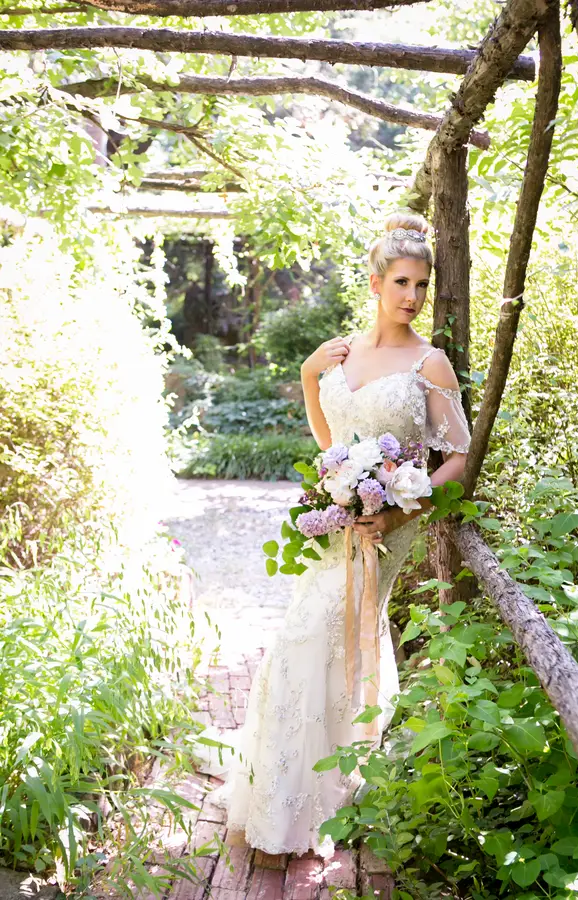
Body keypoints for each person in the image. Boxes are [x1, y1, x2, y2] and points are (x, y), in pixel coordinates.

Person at [205, 211, 471, 859]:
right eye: (402, 282)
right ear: (377, 282)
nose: (412, 297)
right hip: (338, 523)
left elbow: (459, 454)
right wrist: (306, 377)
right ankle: (292, 799)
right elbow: (331, 443)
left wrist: (402, 508)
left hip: (387, 526)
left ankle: (308, 803)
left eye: (422, 286)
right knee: (310, 641)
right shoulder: (344, 353)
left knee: (319, 635)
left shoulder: (430, 364)